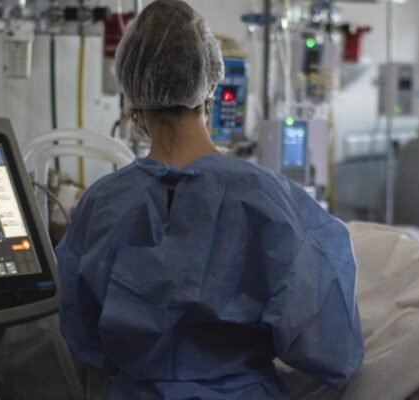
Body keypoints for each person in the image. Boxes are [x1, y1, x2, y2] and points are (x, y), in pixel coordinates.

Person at [55, 1, 363, 398]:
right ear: (211, 85)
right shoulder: (269, 199)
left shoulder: (102, 204)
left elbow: (81, 333)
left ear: (131, 96)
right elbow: (330, 346)